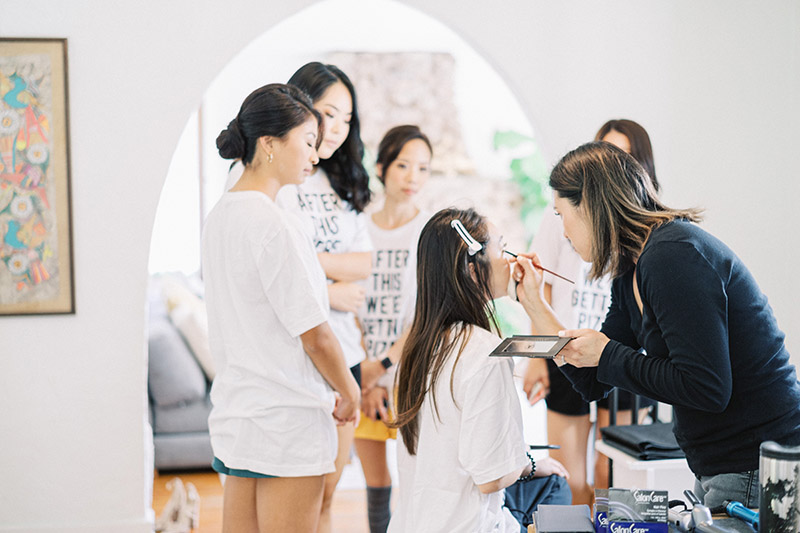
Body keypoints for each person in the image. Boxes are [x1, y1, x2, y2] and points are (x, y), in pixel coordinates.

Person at [514, 141, 800, 508]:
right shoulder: (631, 269)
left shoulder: (673, 256)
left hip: (753, 462)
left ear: (588, 206)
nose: (563, 231)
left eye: (560, 214)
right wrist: (536, 305)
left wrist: (608, 354)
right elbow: (591, 381)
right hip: (721, 464)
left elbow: (707, 387)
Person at [202, 83, 360, 532]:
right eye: (308, 143)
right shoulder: (275, 224)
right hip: (288, 422)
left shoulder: (220, 217)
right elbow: (316, 334)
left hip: (240, 417)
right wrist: (349, 393)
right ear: (270, 144)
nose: (315, 155)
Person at [389, 208, 571, 533]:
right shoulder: (484, 352)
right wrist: (530, 463)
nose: (510, 261)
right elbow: (492, 478)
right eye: (503, 249)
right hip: (468, 526)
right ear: (473, 270)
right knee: (554, 484)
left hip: (412, 523)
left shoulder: (416, 348)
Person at [523, 119, 658, 501]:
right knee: (569, 474)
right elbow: (543, 285)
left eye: (622, 158)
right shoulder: (562, 214)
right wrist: (537, 356)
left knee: (613, 471)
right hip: (566, 348)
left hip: (626, 354)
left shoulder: (650, 241)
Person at [277, 62, 372, 533]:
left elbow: (366, 263)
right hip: (300, 354)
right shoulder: (283, 173)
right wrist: (329, 290)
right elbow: (275, 259)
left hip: (345, 355)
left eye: (346, 119)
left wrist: (312, 264)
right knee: (300, 497)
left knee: (330, 492)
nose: (335, 128)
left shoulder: (344, 182)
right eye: (328, 113)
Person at [354, 125, 432, 533]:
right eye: (403, 165)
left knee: (414, 478)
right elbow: (347, 303)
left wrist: (384, 367)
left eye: (423, 168)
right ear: (382, 167)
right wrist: (366, 376)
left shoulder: (428, 232)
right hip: (361, 374)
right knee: (375, 481)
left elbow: (424, 314)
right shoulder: (357, 225)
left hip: (408, 372)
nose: (413, 177)